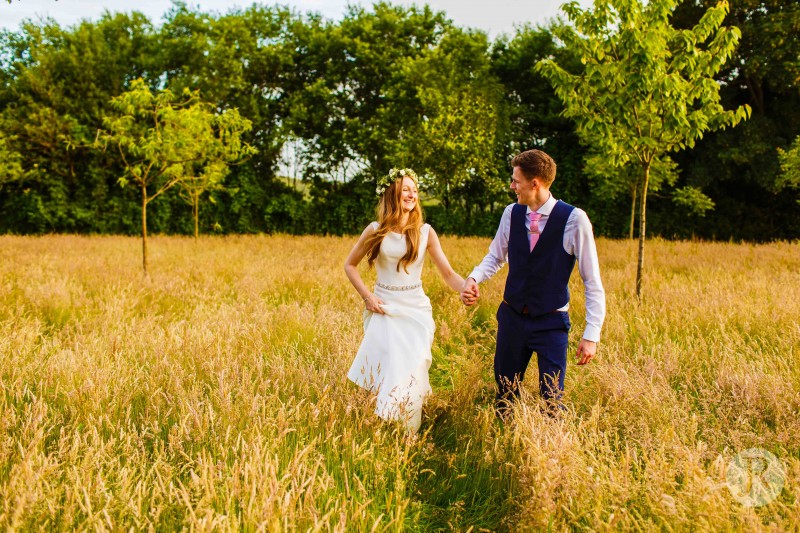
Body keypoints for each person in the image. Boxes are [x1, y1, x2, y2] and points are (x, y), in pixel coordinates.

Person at [460, 149, 606, 415]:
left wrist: (591, 335)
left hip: (551, 323)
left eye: (516, 181)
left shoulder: (574, 220)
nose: (512, 186)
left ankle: (548, 452)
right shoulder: (511, 213)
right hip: (512, 318)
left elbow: (592, 281)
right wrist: (473, 277)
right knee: (505, 394)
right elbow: (496, 255)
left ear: (534, 183)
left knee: (551, 399)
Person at [345, 168, 466, 432]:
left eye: (414, 189)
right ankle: (383, 426)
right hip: (384, 307)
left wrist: (465, 287)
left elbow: (447, 273)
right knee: (390, 367)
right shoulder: (375, 230)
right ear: (392, 194)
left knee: (414, 367)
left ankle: (409, 433)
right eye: (405, 189)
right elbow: (350, 265)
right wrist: (367, 297)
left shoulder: (425, 232)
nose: (411, 194)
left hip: (416, 310)